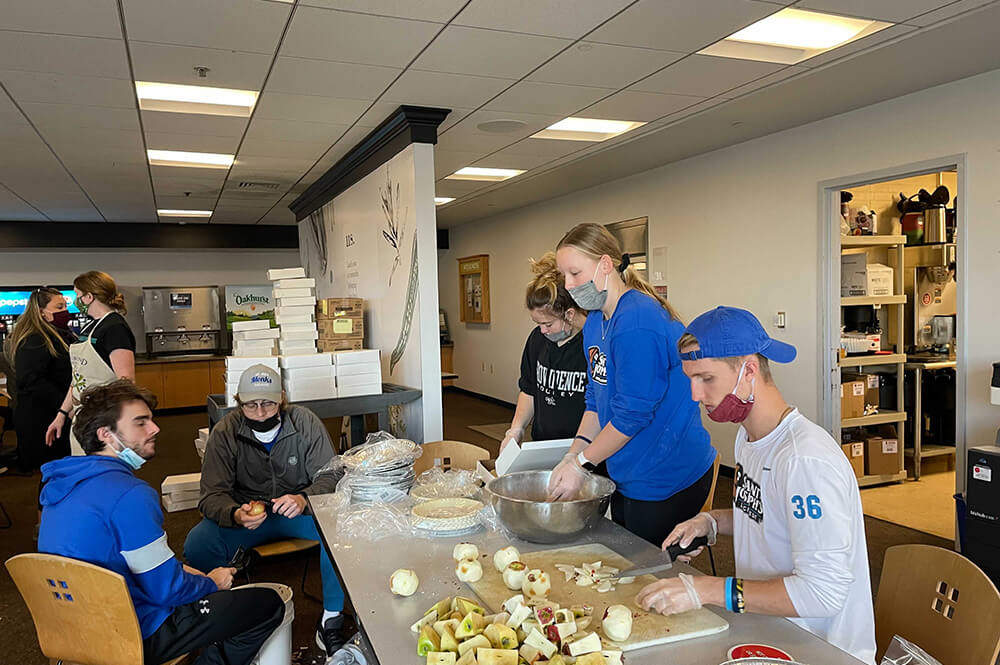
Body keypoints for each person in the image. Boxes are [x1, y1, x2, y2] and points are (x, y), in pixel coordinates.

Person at [636, 306, 876, 664]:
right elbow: (766, 514)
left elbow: (822, 593)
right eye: (690, 379)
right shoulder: (749, 438)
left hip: (820, 650)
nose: (694, 395)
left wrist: (708, 588)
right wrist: (712, 523)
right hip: (767, 632)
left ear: (749, 370)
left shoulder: (804, 461)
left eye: (706, 379)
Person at [38, 379, 284, 665]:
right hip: (131, 633)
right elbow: (166, 590)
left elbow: (117, 559)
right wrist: (211, 583)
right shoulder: (129, 495)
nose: (155, 428)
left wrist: (181, 571)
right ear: (106, 434)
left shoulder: (59, 488)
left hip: (74, 629)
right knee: (267, 605)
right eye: (140, 423)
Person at [549, 223, 716, 546]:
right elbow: (596, 401)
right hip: (628, 469)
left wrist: (583, 464)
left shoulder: (637, 321)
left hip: (666, 473)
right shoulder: (597, 321)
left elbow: (632, 415)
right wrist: (572, 454)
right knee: (622, 561)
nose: (569, 286)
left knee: (644, 574)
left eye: (575, 274)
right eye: (565, 276)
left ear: (605, 265)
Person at [183, 364, 348, 655]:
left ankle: (331, 620)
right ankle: (220, 614)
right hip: (247, 519)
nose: (260, 412)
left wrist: (304, 499)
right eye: (251, 405)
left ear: (282, 398)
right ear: (238, 402)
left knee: (339, 530)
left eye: (268, 403)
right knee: (199, 542)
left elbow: (331, 474)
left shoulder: (304, 422)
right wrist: (235, 513)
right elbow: (210, 496)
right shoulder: (225, 432)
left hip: (297, 512)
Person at [502, 252, 589, 452]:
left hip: (583, 449)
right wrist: (516, 429)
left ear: (569, 314)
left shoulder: (591, 344)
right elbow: (529, 389)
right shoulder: (537, 340)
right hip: (544, 445)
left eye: (548, 324)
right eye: (538, 324)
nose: (543, 330)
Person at [46, 271, 136, 456]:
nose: (75, 301)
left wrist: (110, 421)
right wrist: (62, 413)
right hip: (84, 417)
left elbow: (126, 383)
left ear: (89, 297)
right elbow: (78, 377)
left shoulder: (114, 328)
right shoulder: (91, 326)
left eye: (78, 296)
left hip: (103, 421)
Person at [4, 288, 75, 474]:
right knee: (52, 471)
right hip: (41, 417)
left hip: (55, 412)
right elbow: (31, 381)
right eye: (59, 306)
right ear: (41, 311)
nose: (65, 310)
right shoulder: (34, 339)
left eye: (66, 305)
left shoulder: (59, 334)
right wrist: (65, 407)